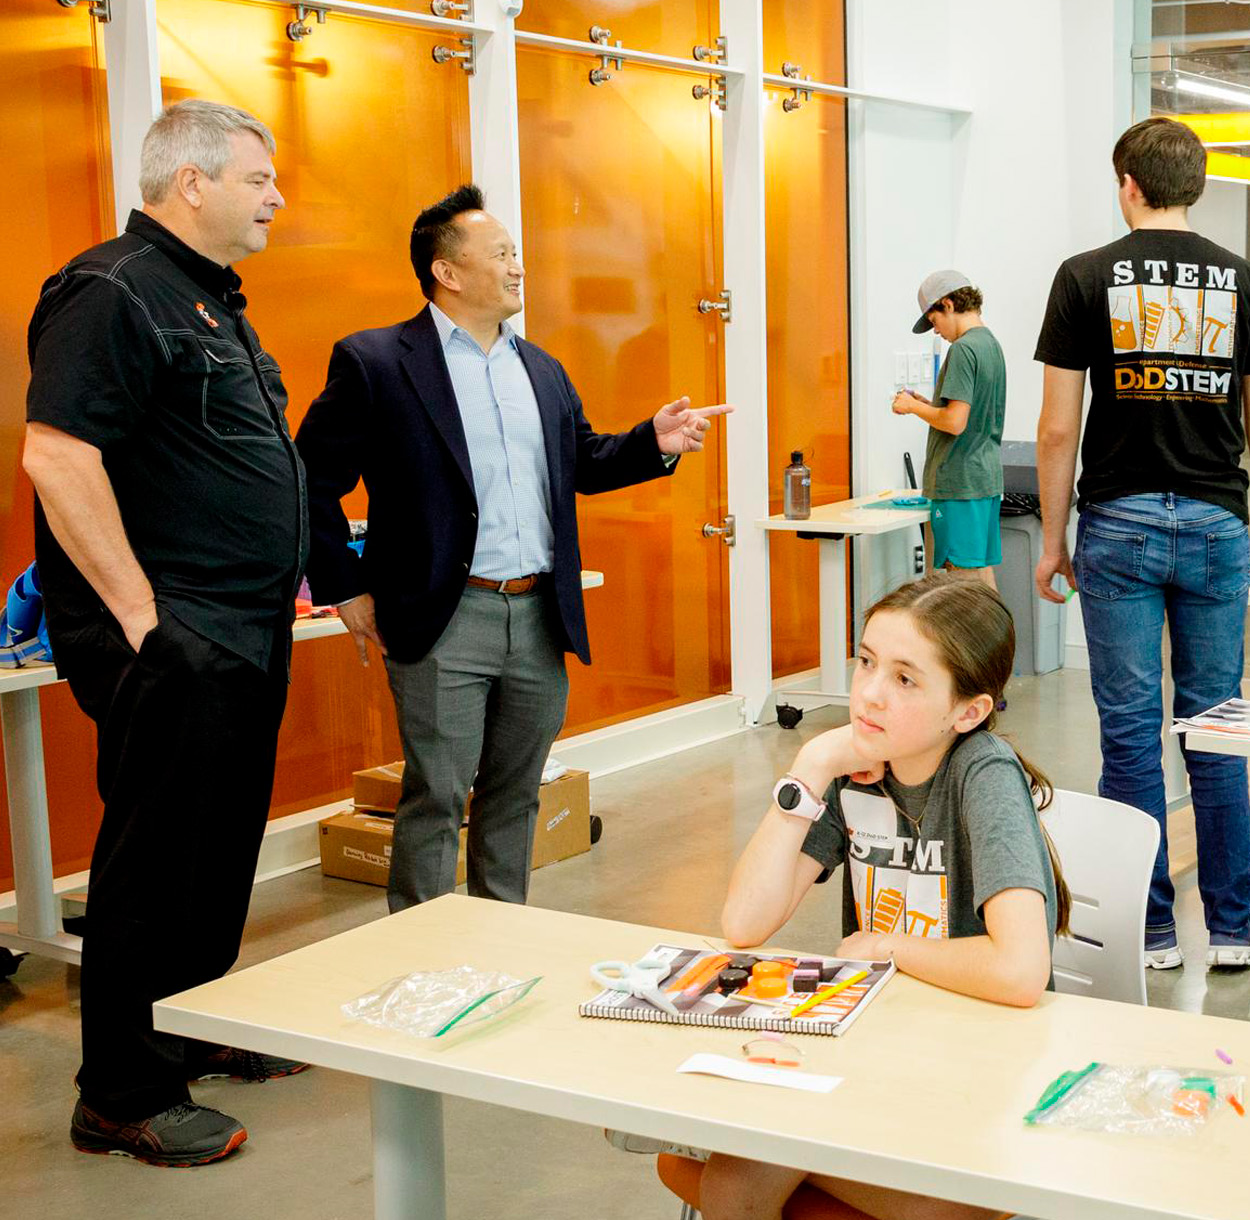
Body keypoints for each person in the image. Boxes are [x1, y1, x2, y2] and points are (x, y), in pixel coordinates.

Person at [295, 184, 729, 914]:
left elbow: (582, 461)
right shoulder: (376, 362)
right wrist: (346, 586)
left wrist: (651, 442)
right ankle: (421, 955)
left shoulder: (542, 368)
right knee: (436, 794)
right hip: (443, 616)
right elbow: (310, 480)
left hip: (536, 615)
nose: (518, 266)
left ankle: (499, 938)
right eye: (501, 253)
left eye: (516, 252)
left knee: (515, 790)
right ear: (448, 271)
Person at [23, 100, 304, 1166]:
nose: (276, 199)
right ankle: (122, 1092)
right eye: (260, 180)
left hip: (241, 628)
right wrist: (146, 621)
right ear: (191, 183)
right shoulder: (111, 291)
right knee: (154, 855)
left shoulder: (211, 303)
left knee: (218, 842)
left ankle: (188, 1030)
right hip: (175, 634)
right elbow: (57, 457)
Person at [700, 576, 1064, 1219]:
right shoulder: (855, 772)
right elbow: (745, 921)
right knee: (730, 1181)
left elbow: (1020, 971)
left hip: (979, 1083)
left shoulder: (982, 776)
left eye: (905, 679)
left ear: (968, 711)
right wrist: (811, 765)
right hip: (879, 1059)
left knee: (747, 1177)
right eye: (866, 661)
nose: (869, 692)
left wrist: (885, 945)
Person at [1033, 116, 1250, 969]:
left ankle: (1144, 930)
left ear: (1129, 186)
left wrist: (1054, 537)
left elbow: (1057, 426)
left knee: (1130, 733)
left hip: (1118, 522)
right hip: (1219, 523)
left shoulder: (1083, 277)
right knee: (1214, 725)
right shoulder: (1248, 283)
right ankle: (1230, 925)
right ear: (1196, 186)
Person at [893, 269, 1006, 587]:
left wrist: (912, 407)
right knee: (981, 576)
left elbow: (955, 423)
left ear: (948, 304)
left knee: (961, 586)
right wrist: (928, 403)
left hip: (959, 484)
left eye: (933, 320)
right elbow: (970, 415)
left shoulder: (963, 349)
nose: (935, 331)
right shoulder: (990, 345)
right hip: (984, 479)